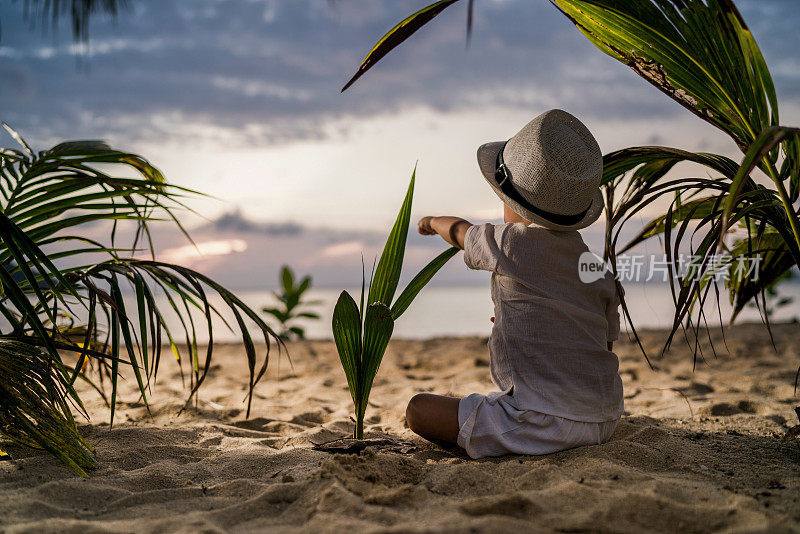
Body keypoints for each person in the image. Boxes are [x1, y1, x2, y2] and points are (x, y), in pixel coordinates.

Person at [406, 109, 623, 458]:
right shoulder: (597, 270)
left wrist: (431, 221)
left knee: (418, 409)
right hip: (604, 418)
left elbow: (461, 231)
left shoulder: (511, 242)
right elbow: (600, 346)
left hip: (540, 421)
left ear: (515, 209)